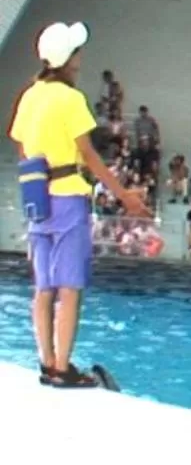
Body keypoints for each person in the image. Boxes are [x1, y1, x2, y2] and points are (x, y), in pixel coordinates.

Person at [8, 21, 148, 388]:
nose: (80, 58)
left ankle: (45, 361)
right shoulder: (71, 99)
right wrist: (124, 195)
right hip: (69, 195)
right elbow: (88, 155)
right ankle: (62, 367)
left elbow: (22, 146)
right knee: (69, 287)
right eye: (76, 52)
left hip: (37, 197)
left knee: (43, 287)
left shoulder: (29, 96)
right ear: (68, 59)